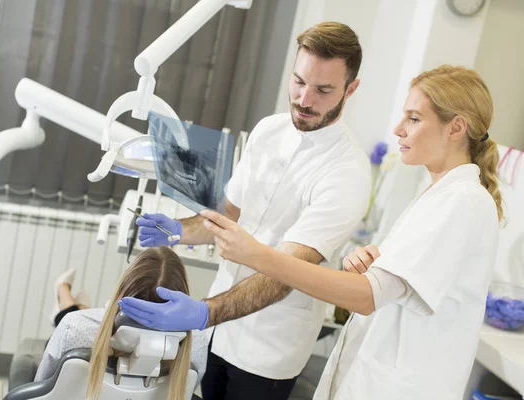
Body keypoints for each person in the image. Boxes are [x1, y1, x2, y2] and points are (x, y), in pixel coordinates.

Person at [196, 65, 502, 399]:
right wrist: (373, 267)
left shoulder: (462, 201)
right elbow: (396, 287)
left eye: (413, 119)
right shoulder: (437, 195)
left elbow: (368, 296)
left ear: (456, 127)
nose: (398, 129)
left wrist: (257, 255)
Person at [120, 22, 372, 400]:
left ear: (350, 89)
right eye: (299, 81)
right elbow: (229, 217)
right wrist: (179, 230)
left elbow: (285, 273)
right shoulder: (268, 131)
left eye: (323, 90)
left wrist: (204, 312)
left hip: (269, 346)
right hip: (219, 332)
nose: (304, 99)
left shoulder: (347, 171)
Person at [35, 247, 210, 400]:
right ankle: (67, 296)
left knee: (74, 320)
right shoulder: (198, 342)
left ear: (123, 288)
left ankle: (64, 293)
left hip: (82, 326)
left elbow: (41, 389)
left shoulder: (75, 326)